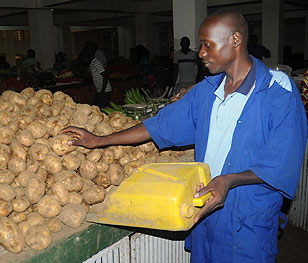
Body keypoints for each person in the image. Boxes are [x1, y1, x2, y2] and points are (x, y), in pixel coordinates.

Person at [60, 9, 307, 263]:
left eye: (207, 45)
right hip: (206, 214)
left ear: (235, 40)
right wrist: (101, 140)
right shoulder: (207, 91)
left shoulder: (278, 95)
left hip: (246, 221)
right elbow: (160, 125)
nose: (201, 54)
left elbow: (281, 163)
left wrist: (229, 180)